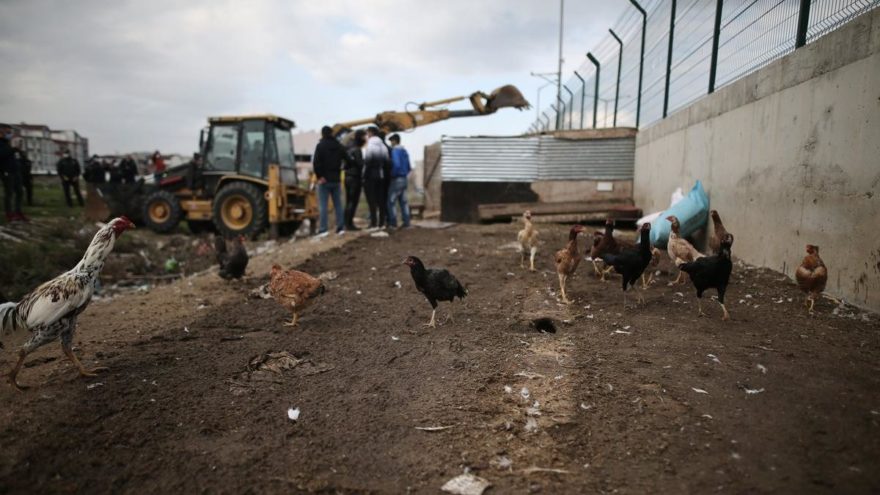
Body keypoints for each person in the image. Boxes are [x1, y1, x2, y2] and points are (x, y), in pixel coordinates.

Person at [312, 126, 350, 236]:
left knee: (323, 205)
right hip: (336, 179)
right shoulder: (339, 146)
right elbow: (348, 160)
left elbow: (316, 163)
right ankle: (340, 228)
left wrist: (320, 176)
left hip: (324, 181)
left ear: (322, 134)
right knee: (338, 204)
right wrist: (343, 168)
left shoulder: (320, 146)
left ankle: (323, 229)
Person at [363, 126, 389, 229]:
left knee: (371, 200)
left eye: (367, 133)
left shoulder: (371, 145)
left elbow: (367, 161)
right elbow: (387, 162)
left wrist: (364, 175)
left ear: (370, 133)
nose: (367, 135)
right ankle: (382, 222)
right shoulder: (383, 146)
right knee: (381, 200)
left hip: (370, 176)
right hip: (381, 175)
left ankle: (373, 222)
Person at [386, 134, 412, 229]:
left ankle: (393, 223)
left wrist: (392, 174)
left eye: (391, 141)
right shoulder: (404, 151)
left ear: (394, 141)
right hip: (404, 178)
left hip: (396, 179)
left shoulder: (395, 151)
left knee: (391, 201)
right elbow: (409, 167)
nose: (390, 143)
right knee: (404, 202)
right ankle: (407, 223)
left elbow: (396, 165)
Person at [1, 130, 26, 221]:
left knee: (19, 191)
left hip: (15, 171)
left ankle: (18, 211)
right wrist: (13, 149)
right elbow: (2, 154)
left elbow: (16, 157)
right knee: (9, 193)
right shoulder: (2, 144)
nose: (9, 134)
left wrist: (19, 151)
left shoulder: (8, 144)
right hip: (7, 171)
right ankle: (9, 213)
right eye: (7, 132)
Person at [344, 130, 366, 231]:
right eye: (364, 136)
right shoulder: (357, 150)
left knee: (349, 201)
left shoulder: (348, 148)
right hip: (355, 178)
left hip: (347, 177)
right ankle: (349, 224)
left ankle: (346, 223)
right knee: (353, 201)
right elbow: (360, 164)